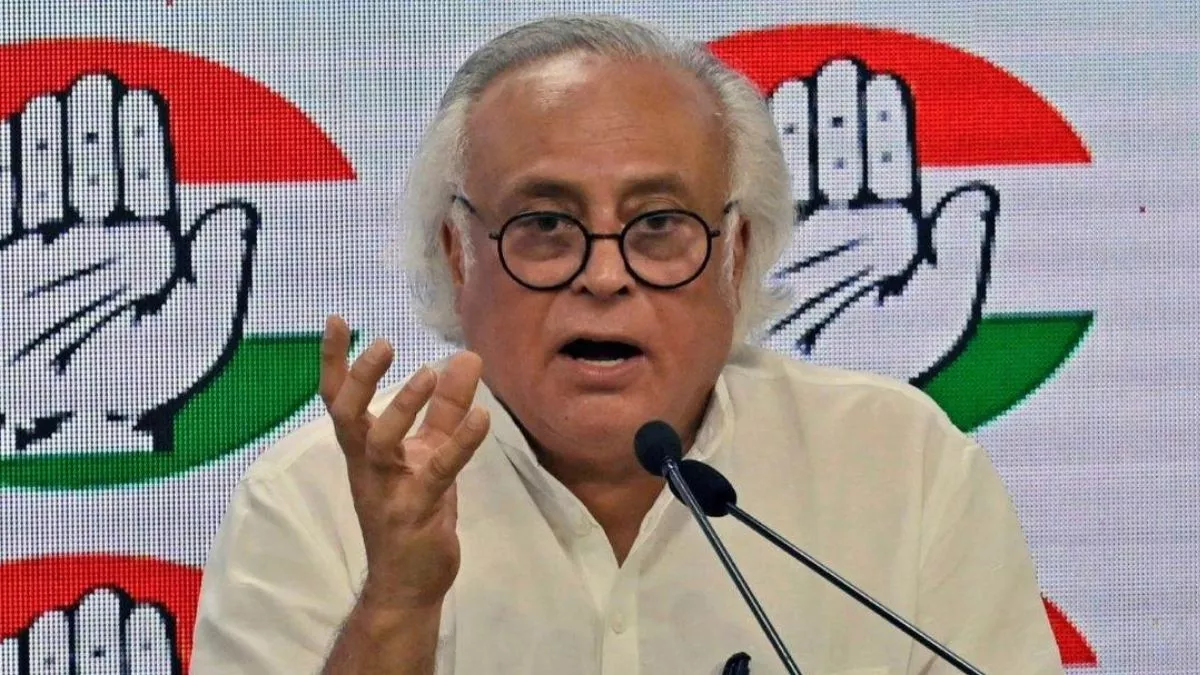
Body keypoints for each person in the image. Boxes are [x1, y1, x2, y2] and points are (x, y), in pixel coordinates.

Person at [190, 15, 1063, 675]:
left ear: (737, 254)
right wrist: (397, 601)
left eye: (657, 224)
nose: (604, 276)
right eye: (545, 223)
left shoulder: (902, 467)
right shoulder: (313, 500)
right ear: (458, 255)